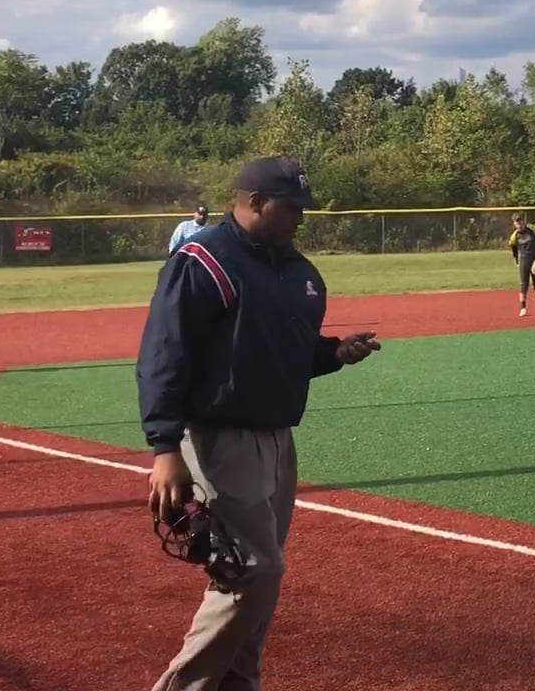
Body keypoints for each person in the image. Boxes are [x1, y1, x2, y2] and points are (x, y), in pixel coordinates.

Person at [137, 156, 382, 691]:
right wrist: (164, 447)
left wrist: (333, 353)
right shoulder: (204, 261)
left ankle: (237, 683)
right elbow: (164, 354)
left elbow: (286, 352)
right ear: (254, 202)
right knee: (253, 570)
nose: (301, 217)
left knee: (257, 581)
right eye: (291, 207)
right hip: (219, 439)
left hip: (278, 440)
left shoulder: (298, 271)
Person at [507, 214, 535, 316]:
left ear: (523, 221)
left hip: (534, 259)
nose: (518, 223)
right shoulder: (514, 236)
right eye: (516, 222)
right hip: (523, 260)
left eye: (519, 221)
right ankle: (523, 308)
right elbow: (513, 248)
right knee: (524, 284)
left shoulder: (532, 230)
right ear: (514, 224)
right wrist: (516, 260)